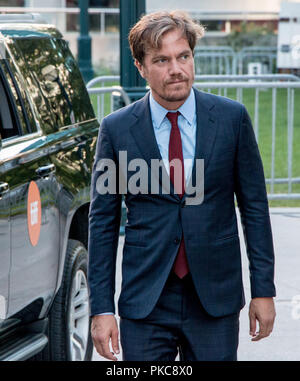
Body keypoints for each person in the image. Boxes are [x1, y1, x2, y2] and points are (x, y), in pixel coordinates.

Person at [88, 10, 276, 361]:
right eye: (161, 60)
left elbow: (254, 208)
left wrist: (263, 290)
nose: (176, 69)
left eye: (183, 56)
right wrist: (101, 309)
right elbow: (102, 223)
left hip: (214, 299)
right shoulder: (116, 130)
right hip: (145, 301)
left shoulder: (231, 119)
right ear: (141, 68)